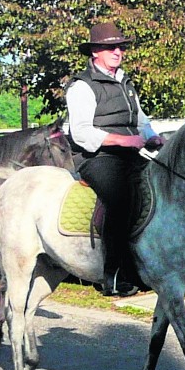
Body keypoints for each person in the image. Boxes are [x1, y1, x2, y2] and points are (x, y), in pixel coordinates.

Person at [65, 22, 164, 297]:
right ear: (96, 51)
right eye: (111, 47)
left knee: (159, 189)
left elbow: (141, 121)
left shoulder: (126, 82)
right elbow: (82, 133)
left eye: (120, 47)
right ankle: (114, 274)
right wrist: (124, 140)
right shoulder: (82, 86)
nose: (118, 51)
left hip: (130, 154)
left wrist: (154, 137)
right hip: (97, 157)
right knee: (120, 198)